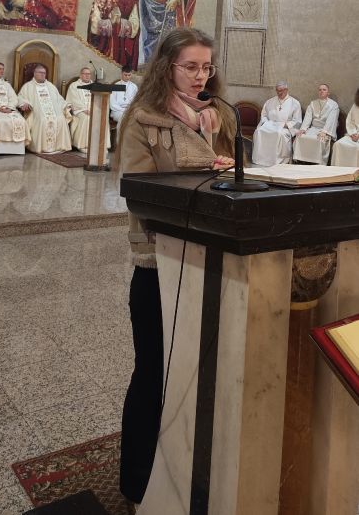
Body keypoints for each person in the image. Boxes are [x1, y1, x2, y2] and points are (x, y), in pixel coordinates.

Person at [118, 27, 236, 506]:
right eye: (191, 66)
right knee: (152, 373)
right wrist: (205, 171)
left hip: (208, 258)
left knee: (197, 372)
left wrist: (224, 165)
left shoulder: (216, 116)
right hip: (158, 264)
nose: (201, 75)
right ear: (167, 67)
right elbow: (139, 190)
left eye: (207, 66)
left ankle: (188, 469)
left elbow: (230, 174)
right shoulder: (143, 120)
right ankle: (137, 482)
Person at [88, 0, 140, 68]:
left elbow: (135, 27)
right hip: (103, 44)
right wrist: (109, 22)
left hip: (122, 46)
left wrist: (120, 22)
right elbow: (94, 24)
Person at [18, 64, 72, 154]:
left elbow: (59, 99)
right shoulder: (28, 86)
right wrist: (24, 103)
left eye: (44, 73)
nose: (43, 75)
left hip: (54, 110)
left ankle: (60, 147)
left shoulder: (51, 86)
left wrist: (66, 105)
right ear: (34, 73)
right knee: (43, 119)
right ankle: (40, 147)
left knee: (61, 119)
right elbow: (20, 97)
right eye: (40, 72)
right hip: (36, 110)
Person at [252, 81, 302, 166]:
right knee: (259, 131)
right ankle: (260, 159)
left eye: (281, 90)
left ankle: (277, 160)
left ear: (286, 90)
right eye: (277, 90)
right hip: (270, 125)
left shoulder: (295, 103)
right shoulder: (270, 102)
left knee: (279, 133)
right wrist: (267, 123)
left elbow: (297, 121)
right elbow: (264, 115)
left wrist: (286, 125)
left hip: (285, 128)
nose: (279, 93)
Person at [294, 83, 339, 165]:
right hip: (313, 128)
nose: (321, 91)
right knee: (300, 137)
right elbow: (307, 118)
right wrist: (303, 129)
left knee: (320, 139)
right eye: (320, 90)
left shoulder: (333, 105)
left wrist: (324, 131)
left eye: (324, 90)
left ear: (328, 93)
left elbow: (331, 120)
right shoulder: (312, 103)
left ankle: (318, 163)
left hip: (325, 129)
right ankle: (301, 161)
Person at [66, 65, 96, 153]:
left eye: (89, 74)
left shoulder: (95, 86)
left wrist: (95, 110)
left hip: (94, 110)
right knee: (87, 118)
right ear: (80, 75)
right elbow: (74, 100)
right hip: (80, 110)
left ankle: (98, 144)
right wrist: (84, 109)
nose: (87, 76)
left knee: (101, 119)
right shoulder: (74, 85)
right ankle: (83, 145)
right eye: (85, 74)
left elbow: (98, 99)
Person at [331, 90, 359, 166]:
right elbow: (349, 121)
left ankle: (355, 171)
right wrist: (353, 133)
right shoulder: (355, 105)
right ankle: (338, 169)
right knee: (338, 144)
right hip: (353, 134)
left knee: (357, 149)